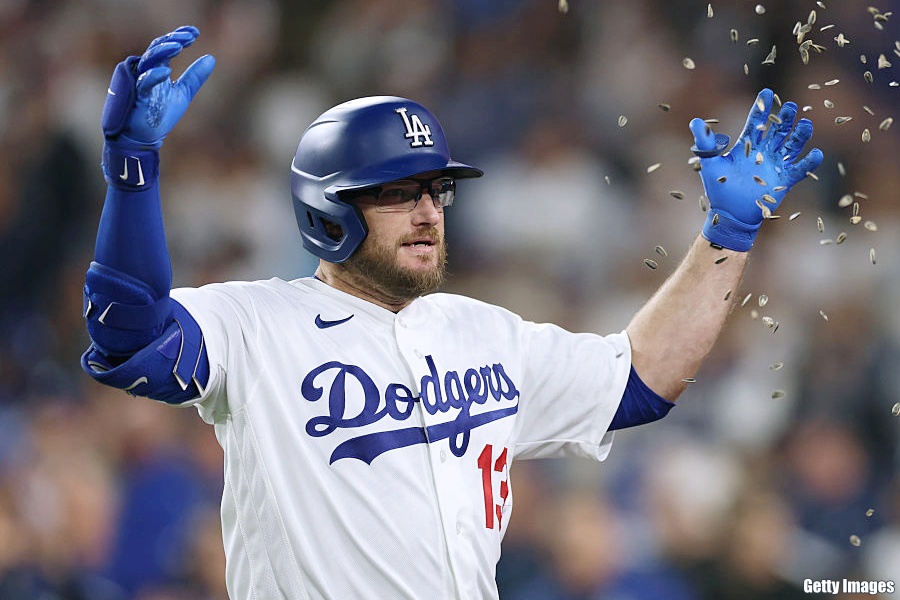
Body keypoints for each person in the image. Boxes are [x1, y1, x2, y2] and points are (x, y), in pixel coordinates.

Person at [80, 26, 824, 599]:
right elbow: (131, 337)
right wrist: (133, 171)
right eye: (397, 193)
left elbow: (641, 380)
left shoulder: (486, 332)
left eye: (436, 189)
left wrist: (727, 235)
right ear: (327, 213)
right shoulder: (255, 323)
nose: (428, 212)